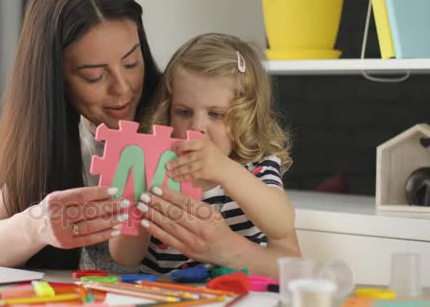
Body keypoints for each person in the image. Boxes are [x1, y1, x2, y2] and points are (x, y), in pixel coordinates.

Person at [0, 0, 162, 271]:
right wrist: (39, 224)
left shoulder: (182, 119)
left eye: (132, 62)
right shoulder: (59, 144)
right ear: (54, 79)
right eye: (94, 76)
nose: (122, 89)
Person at [110, 34, 301, 279]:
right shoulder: (154, 164)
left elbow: (282, 223)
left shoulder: (256, 168)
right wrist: (143, 196)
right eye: (184, 111)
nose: (196, 126)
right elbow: (124, 256)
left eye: (215, 114)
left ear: (245, 116)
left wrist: (225, 171)